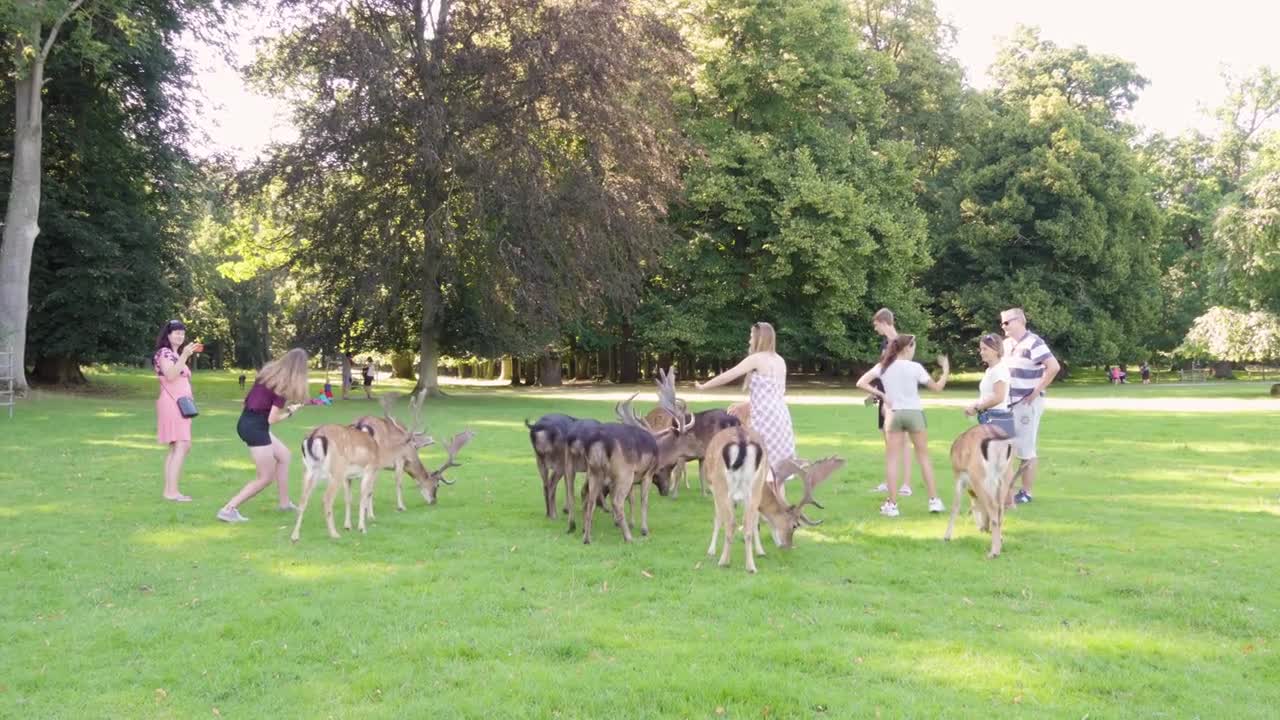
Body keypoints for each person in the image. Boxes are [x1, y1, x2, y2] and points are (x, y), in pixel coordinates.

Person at [856, 335, 949, 517]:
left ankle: (892, 505)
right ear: (907, 348)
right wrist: (945, 369)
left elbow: (861, 382)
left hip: (894, 414)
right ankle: (934, 501)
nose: (914, 350)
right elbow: (937, 388)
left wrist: (881, 395)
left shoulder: (884, 366)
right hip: (914, 413)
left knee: (892, 460)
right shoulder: (915, 367)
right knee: (923, 457)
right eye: (914, 347)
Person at [218, 348, 311, 523]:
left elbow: (251, 401)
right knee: (265, 478)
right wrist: (290, 413)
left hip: (248, 421)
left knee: (284, 455)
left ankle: (284, 503)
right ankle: (228, 509)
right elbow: (272, 419)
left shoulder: (267, 374)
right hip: (256, 428)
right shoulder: (282, 387)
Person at [695, 322, 797, 477]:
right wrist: (747, 404)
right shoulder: (780, 360)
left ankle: (756, 498)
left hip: (765, 419)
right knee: (776, 472)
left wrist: (704, 386)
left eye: (751, 337)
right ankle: (778, 500)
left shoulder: (756, 359)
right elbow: (775, 393)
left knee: (759, 467)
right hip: (781, 417)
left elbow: (729, 375)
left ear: (759, 338)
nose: (749, 341)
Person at [1000, 307, 1061, 505]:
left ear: (1019, 321)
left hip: (1027, 403)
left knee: (1026, 449)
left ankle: (1026, 492)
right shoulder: (1006, 344)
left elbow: (1054, 367)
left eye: (1006, 322)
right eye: (1002, 322)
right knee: (1006, 447)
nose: (1003, 326)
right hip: (1008, 403)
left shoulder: (1034, 342)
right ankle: (1007, 489)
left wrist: (1036, 390)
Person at [154, 319, 202, 502]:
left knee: (177, 446)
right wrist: (185, 356)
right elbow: (171, 375)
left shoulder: (176, 353)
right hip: (172, 404)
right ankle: (171, 492)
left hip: (182, 404)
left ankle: (170, 490)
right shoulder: (164, 353)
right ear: (168, 335)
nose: (180, 336)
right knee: (182, 445)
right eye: (176, 333)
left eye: (182, 333)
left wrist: (183, 355)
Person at [869, 308, 913, 497]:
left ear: (884, 322)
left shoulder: (905, 342)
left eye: (876, 324)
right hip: (884, 397)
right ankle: (890, 481)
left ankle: (906, 485)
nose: (875, 328)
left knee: (902, 441)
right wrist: (875, 392)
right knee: (888, 441)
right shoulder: (885, 344)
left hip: (898, 398)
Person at [965, 334, 1015, 438]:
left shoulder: (999, 370)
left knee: (992, 453)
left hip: (996, 418)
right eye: (981, 349)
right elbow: (988, 395)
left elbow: (998, 397)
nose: (981, 352)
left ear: (996, 350)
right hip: (988, 416)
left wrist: (976, 407)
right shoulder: (991, 370)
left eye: (985, 349)